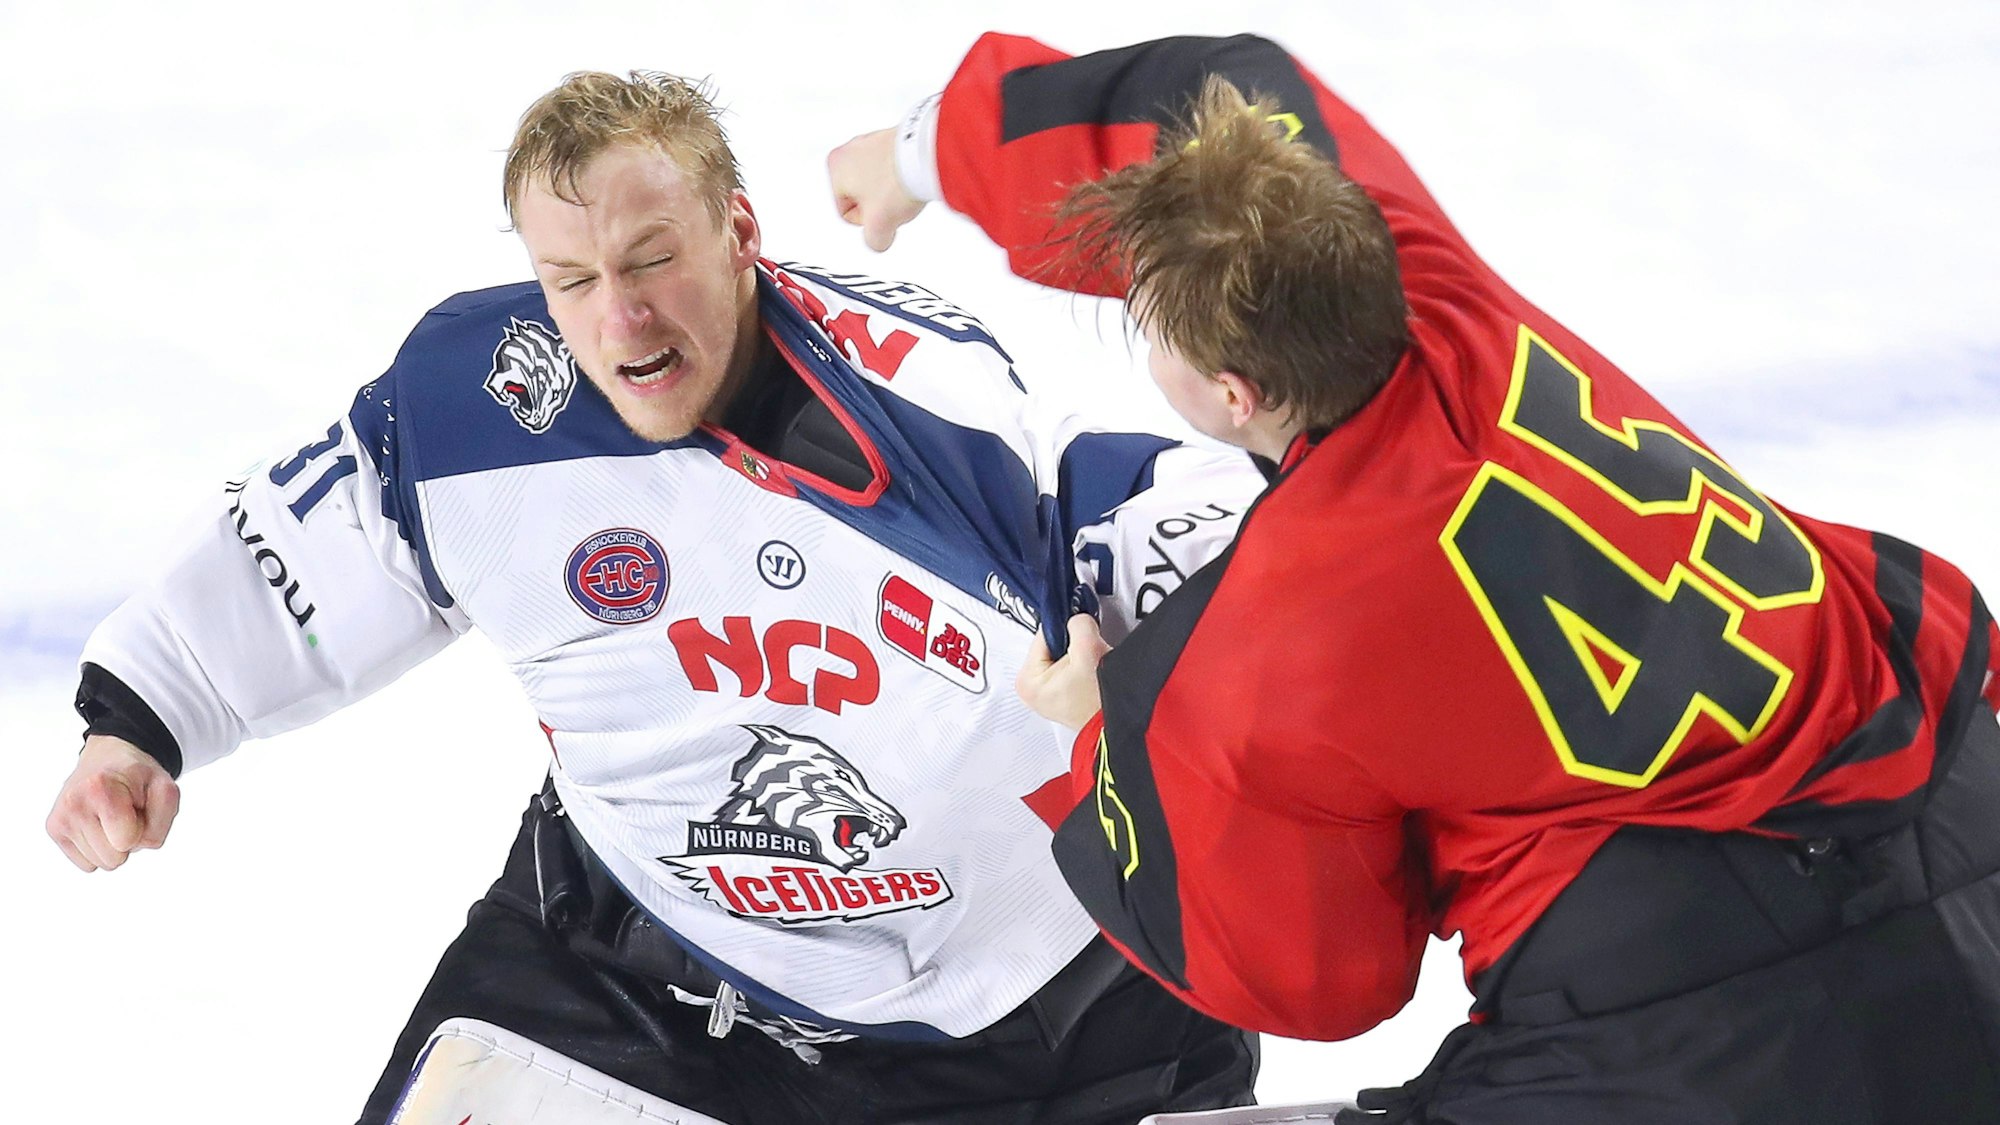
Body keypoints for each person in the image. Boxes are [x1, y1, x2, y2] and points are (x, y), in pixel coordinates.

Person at [44, 66, 1268, 1125]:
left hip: (1023, 1032)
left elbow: (1174, 526)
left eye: (651, 260)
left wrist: (1210, 653)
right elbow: (330, 539)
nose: (617, 317)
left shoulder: (929, 404)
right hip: (629, 972)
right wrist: (141, 720)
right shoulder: (484, 406)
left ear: (739, 230)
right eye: (569, 278)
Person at [829, 31, 2000, 1124]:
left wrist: (1105, 733)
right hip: (1959, 805)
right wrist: (925, 152)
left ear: (1233, 398)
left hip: (1703, 1030)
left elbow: (1315, 983)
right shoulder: (1421, 274)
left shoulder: (1258, 653)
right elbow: (1203, 89)